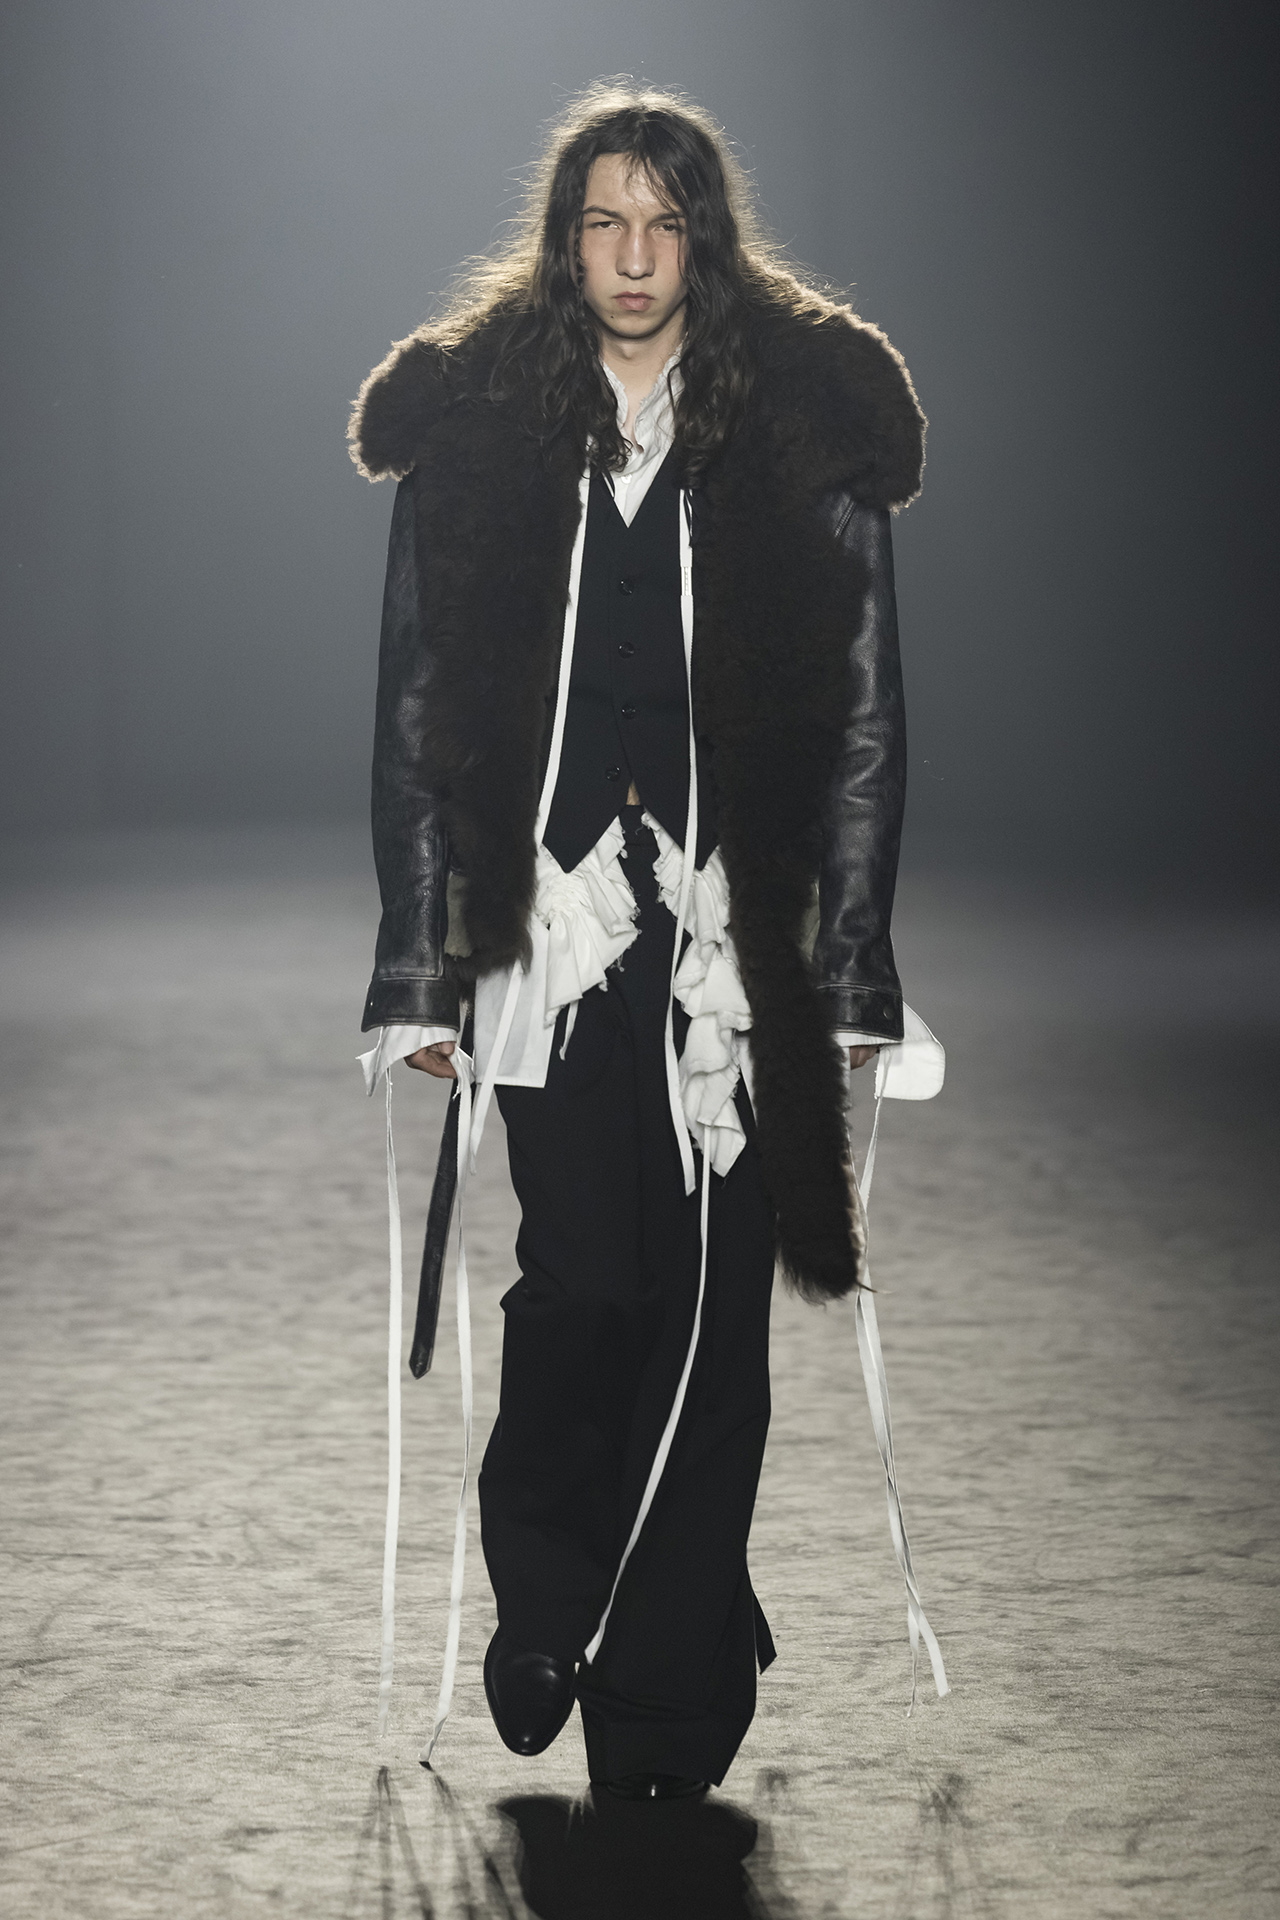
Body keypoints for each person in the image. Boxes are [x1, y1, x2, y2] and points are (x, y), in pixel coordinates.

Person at [349, 82, 924, 1800]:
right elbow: (421, 711)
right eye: (603, 221)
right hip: (553, 927)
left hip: (731, 940)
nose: (633, 255)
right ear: (563, 240)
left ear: (704, 244)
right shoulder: (481, 435)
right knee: (587, 1276)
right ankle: (547, 1595)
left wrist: (846, 968)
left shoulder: (797, 433)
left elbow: (864, 717)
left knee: (713, 1310)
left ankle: (669, 1693)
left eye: (663, 224)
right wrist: (424, 964)